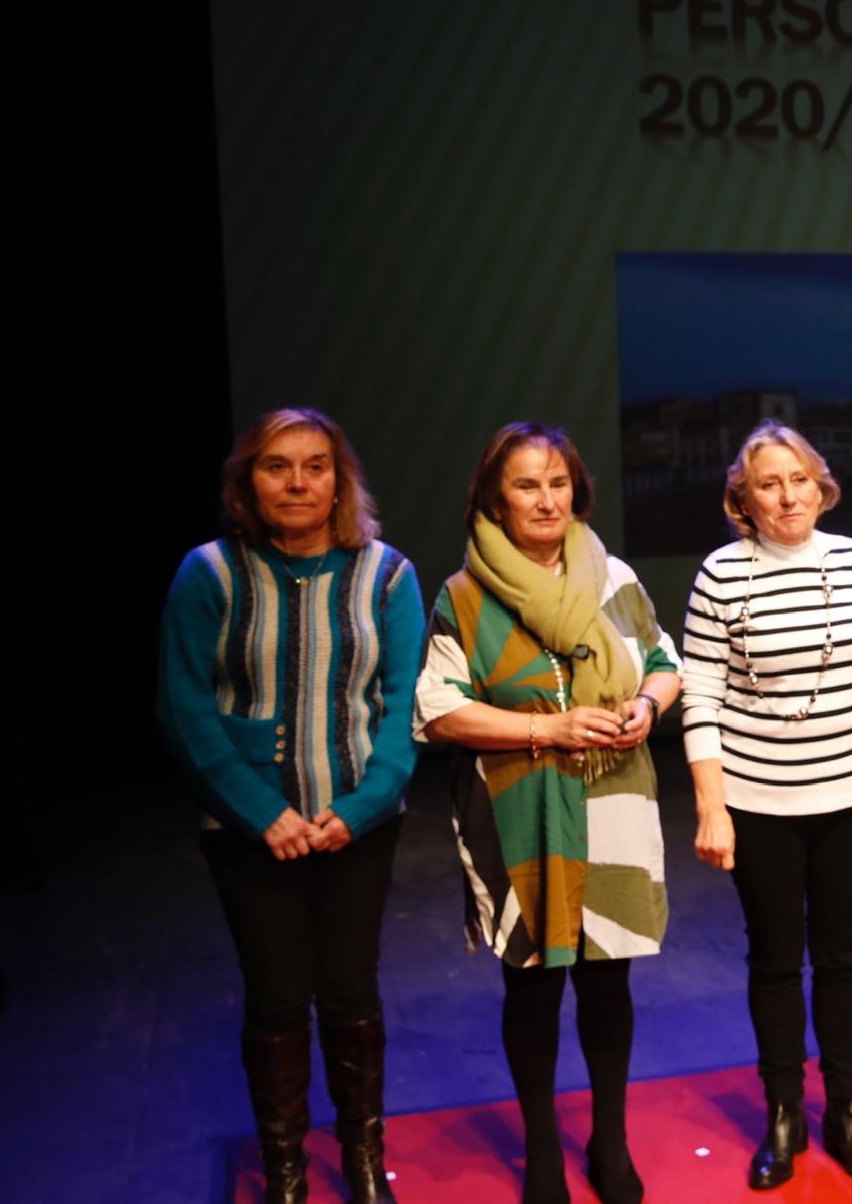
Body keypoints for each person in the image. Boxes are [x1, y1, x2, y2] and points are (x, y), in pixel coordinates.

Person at [158, 407, 421, 1204]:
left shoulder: (387, 574)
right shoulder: (209, 573)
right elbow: (184, 707)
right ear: (248, 480)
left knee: (350, 989)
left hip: (357, 824)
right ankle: (285, 1170)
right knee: (276, 994)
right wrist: (259, 811)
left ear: (340, 480)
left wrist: (362, 805)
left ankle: (364, 1161)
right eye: (278, 465)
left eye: (316, 465)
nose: (298, 481)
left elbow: (406, 702)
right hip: (247, 829)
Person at [414, 423, 680, 1204]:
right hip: (518, 806)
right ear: (496, 495)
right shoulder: (464, 593)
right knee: (531, 982)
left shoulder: (614, 576)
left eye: (557, 482)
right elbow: (437, 709)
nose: (546, 498)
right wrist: (546, 728)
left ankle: (611, 1139)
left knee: (608, 984)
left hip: (616, 800)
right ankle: (539, 1149)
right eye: (527, 484)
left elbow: (665, 660)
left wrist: (643, 705)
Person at [680, 422, 852, 1190]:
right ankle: (784, 1111)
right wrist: (711, 807)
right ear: (741, 498)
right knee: (776, 958)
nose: (787, 494)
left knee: (844, 955)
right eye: (767, 482)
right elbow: (700, 697)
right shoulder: (721, 574)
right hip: (758, 801)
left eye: (799, 478)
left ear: (823, 484)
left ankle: (847, 1109)